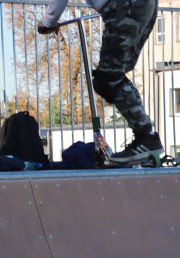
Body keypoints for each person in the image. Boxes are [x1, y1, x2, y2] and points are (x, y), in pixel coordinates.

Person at [37, 0, 163, 165]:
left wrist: (48, 22)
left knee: (107, 79)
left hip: (125, 7)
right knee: (114, 75)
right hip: (145, 6)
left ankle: (146, 138)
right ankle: (145, 143)